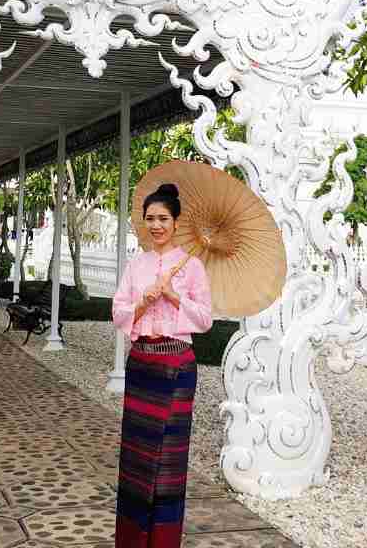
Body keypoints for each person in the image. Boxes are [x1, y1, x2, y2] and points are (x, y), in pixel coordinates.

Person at [111, 182, 213, 548]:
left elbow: (204, 320)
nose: (156, 225)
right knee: (137, 460)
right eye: (150, 218)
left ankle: (164, 541)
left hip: (177, 368)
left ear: (176, 222)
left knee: (168, 463)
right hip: (141, 365)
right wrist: (142, 302)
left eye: (163, 218)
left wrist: (172, 296)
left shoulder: (193, 266)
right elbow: (118, 311)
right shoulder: (136, 265)